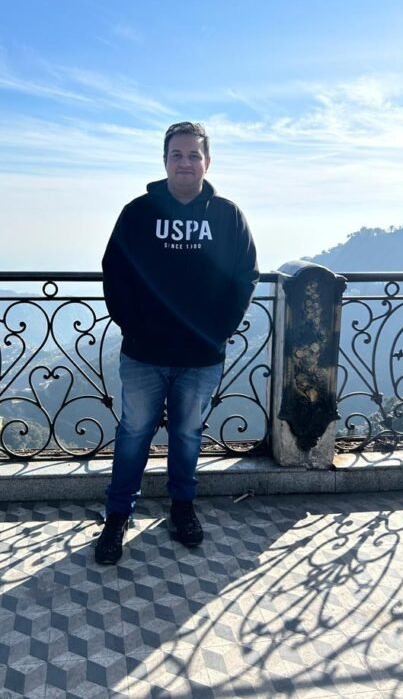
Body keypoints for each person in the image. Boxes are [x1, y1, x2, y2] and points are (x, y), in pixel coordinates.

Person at [96, 121, 259, 564]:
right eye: (177, 155)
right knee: (133, 433)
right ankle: (117, 516)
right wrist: (134, 325)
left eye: (193, 155)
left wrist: (219, 330)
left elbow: (244, 276)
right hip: (144, 353)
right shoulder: (138, 213)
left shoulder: (227, 216)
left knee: (187, 435)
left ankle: (182, 507)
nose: (185, 163)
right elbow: (115, 272)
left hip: (201, 355)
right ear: (164, 160)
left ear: (207, 162)